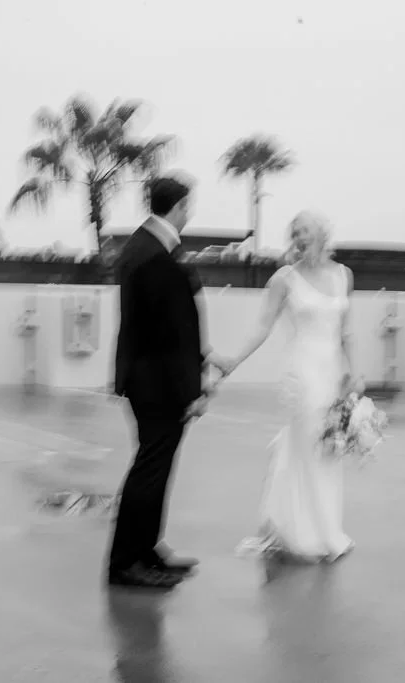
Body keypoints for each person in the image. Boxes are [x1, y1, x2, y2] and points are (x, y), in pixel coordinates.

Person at [218, 210, 364, 562]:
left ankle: (326, 528)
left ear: (322, 234)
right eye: (295, 232)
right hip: (302, 375)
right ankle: (304, 536)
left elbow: (345, 331)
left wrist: (355, 373)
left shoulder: (344, 275)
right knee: (309, 446)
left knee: (329, 450)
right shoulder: (285, 279)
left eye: (306, 231)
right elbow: (262, 326)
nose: (300, 238)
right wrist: (233, 360)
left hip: (333, 375)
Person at [107, 174, 228, 589]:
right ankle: (127, 562)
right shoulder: (156, 256)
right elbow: (171, 334)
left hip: (146, 378)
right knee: (150, 469)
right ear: (179, 207)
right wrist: (193, 391)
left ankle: (146, 549)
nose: (189, 213)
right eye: (187, 206)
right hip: (156, 382)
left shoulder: (143, 247)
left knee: (154, 466)